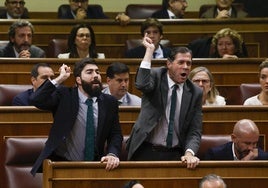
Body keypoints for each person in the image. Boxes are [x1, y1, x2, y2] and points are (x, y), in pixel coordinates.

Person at [29, 58, 123, 176]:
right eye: (89, 72)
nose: (95, 76)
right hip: (61, 165)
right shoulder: (64, 95)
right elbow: (36, 99)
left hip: (95, 166)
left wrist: (112, 154)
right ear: (78, 79)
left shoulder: (109, 102)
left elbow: (115, 134)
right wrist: (60, 79)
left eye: (97, 72)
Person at [126, 33, 203, 169]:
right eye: (181, 62)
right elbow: (141, 84)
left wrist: (190, 153)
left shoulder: (195, 92)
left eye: (189, 63)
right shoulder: (156, 76)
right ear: (168, 64)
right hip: (145, 149)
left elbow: (194, 130)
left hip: (176, 154)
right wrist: (149, 51)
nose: (185, 67)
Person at [58, 0, 130, 25]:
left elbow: (109, 22)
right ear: (70, 2)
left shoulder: (96, 10)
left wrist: (119, 17)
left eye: (83, 1)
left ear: (87, 2)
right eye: (76, 1)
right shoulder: (65, 16)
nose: (79, 5)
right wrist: (77, 22)